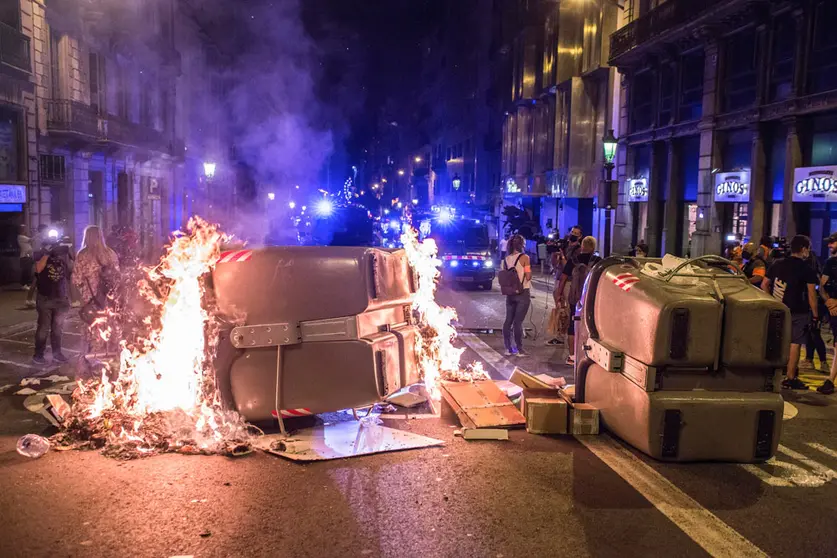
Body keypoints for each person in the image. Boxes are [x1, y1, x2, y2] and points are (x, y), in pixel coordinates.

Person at [761, 235, 819, 390]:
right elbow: (812, 294)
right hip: (798, 311)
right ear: (804, 249)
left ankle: (769, 375)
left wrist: (771, 301)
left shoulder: (777, 264)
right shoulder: (807, 269)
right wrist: (815, 314)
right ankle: (790, 377)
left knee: (775, 341)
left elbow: (764, 284)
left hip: (778, 309)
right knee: (795, 343)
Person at [73, 225, 120, 352]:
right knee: (110, 325)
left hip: (90, 299)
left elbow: (76, 279)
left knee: (92, 328)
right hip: (109, 298)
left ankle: (93, 360)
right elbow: (117, 276)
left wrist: (79, 298)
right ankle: (111, 356)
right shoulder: (110, 253)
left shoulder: (83, 255)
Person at [557, 236, 600, 366]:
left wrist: (559, 294)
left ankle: (572, 356)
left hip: (575, 298)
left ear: (582, 247)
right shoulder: (598, 261)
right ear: (593, 248)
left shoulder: (573, 260)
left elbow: (563, 278)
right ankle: (587, 354)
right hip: (591, 299)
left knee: (572, 326)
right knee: (591, 326)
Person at [32, 233, 73, 364]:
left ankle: (57, 353)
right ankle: (38, 355)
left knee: (58, 328)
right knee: (43, 328)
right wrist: (47, 254)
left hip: (60, 297)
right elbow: (38, 269)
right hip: (45, 298)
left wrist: (68, 253)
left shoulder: (62, 255)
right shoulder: (40, 253)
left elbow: (69, 273)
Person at [501, 234, 532, 357]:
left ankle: (508, 348)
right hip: (522, 292)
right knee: (518, 322)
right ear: (522, 245)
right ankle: (520, 349)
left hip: (510, 294)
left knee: (508, 320)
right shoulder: (525, 258)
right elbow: (528, 276)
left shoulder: (506, 259)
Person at [817, 232, 837, 394]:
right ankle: (830, 379)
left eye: (832, 242)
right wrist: (829, 302)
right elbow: (822, 286)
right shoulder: (830, 263)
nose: (829, 245)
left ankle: (830, 380)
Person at [25, 224, 48, 308]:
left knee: (40, 280)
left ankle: (35, 299)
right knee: (36, 280)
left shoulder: (41, 238)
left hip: (41, 261)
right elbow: (37, 251)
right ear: (42, 230)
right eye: (46, 230)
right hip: (39, 261)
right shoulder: (38, 238)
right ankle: (29, 299)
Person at [17, 225, 33, 289]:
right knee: (26, 271)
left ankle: (27, 284)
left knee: (28, 271)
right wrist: (38, 234)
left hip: (28, 256)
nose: (25, 230)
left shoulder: (24, 237)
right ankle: (24, 284)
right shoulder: (20, 237)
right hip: (25, 257)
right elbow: (31, 240)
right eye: (23, 229)